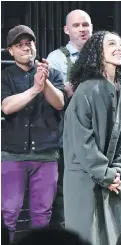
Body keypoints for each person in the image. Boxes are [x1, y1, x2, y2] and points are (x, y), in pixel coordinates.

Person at [63, 30, 121, 245]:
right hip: (84, 175)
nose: (119, 48)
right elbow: (82, 141)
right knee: (87, 235)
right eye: (112, 44)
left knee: (115, 234)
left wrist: (118, 172)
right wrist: (105, 173)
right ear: (98, 51)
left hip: (114, 178)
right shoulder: (86, 91)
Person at [1, 25, 67, 242]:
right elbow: (7, 106)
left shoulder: (52, 73)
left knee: (42, 215)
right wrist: (34, 90)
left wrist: (44, 80)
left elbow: (59, 103)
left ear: (35, 45)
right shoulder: (5, 77)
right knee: (8, 213)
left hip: (46, 156)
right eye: (19, 45)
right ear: (10, 51)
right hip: (12, 156)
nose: (25, 48)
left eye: (28, 43)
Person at [46, 9, 93, 226]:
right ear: (66, 30)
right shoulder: (57, 58)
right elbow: (53, 98)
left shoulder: (101, 55)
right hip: (68, 132)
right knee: (66, 187)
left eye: (86, 24)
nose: (82, 29)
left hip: (96, 131)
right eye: (76, 25)